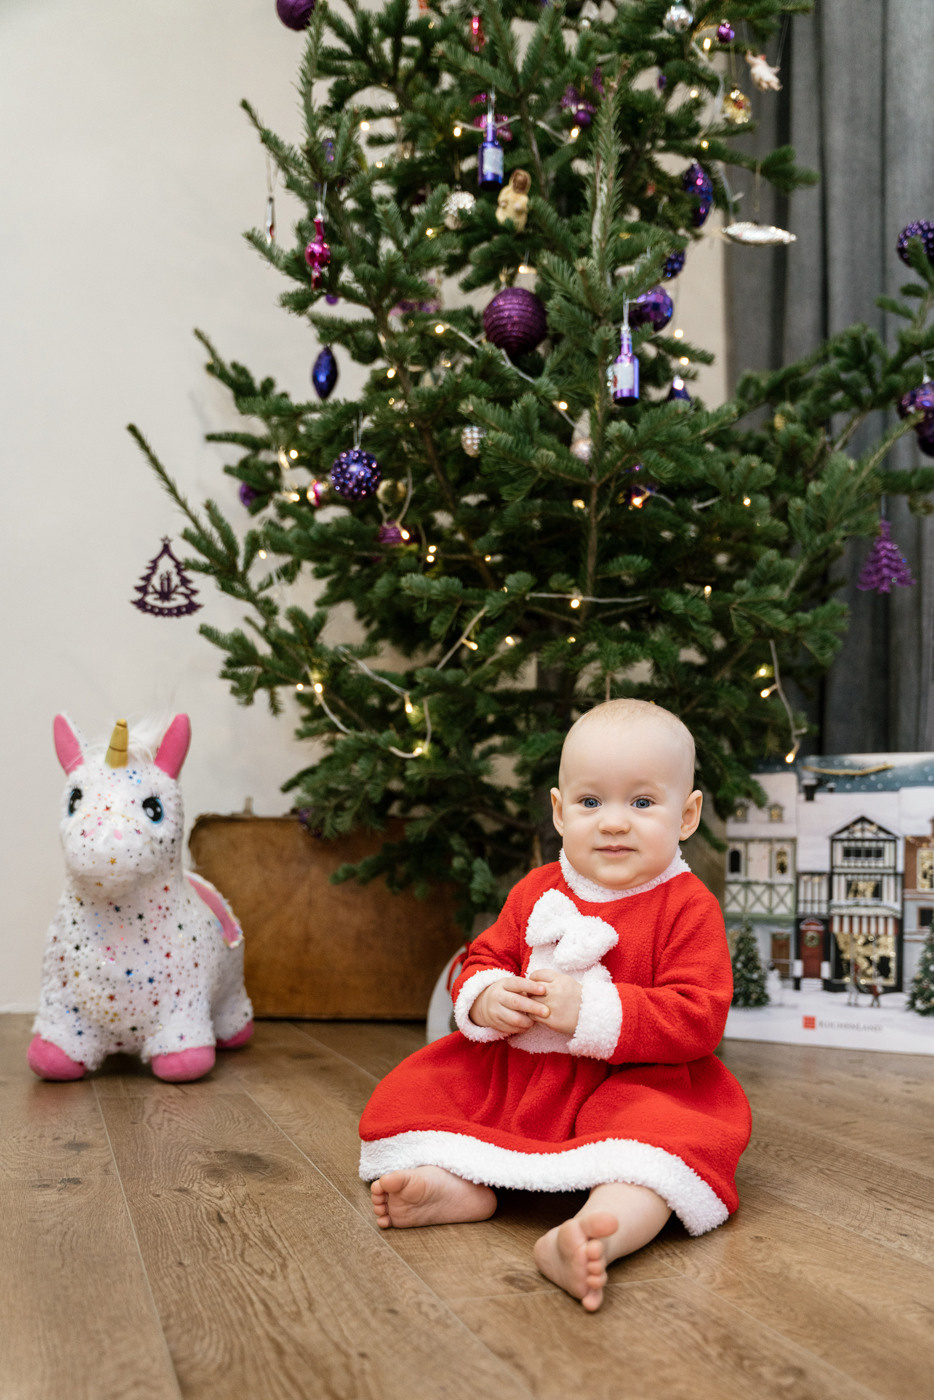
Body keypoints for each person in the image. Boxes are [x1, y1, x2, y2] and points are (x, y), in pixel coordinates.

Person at [359, 698, 751, 1312]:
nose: (614, 823)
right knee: (432, 1093)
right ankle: (458, 1185)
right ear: (559, 811)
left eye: (641, 803)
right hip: (524, 1076)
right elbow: (482, 959)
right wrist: (488, 999)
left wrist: (593, 1010)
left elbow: (698, 1016)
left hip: (634, 1083)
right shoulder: (536, 889)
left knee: (661, 1149)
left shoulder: (687, 906)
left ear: (687, 815)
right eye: (591, 802)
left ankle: (598, 1230)